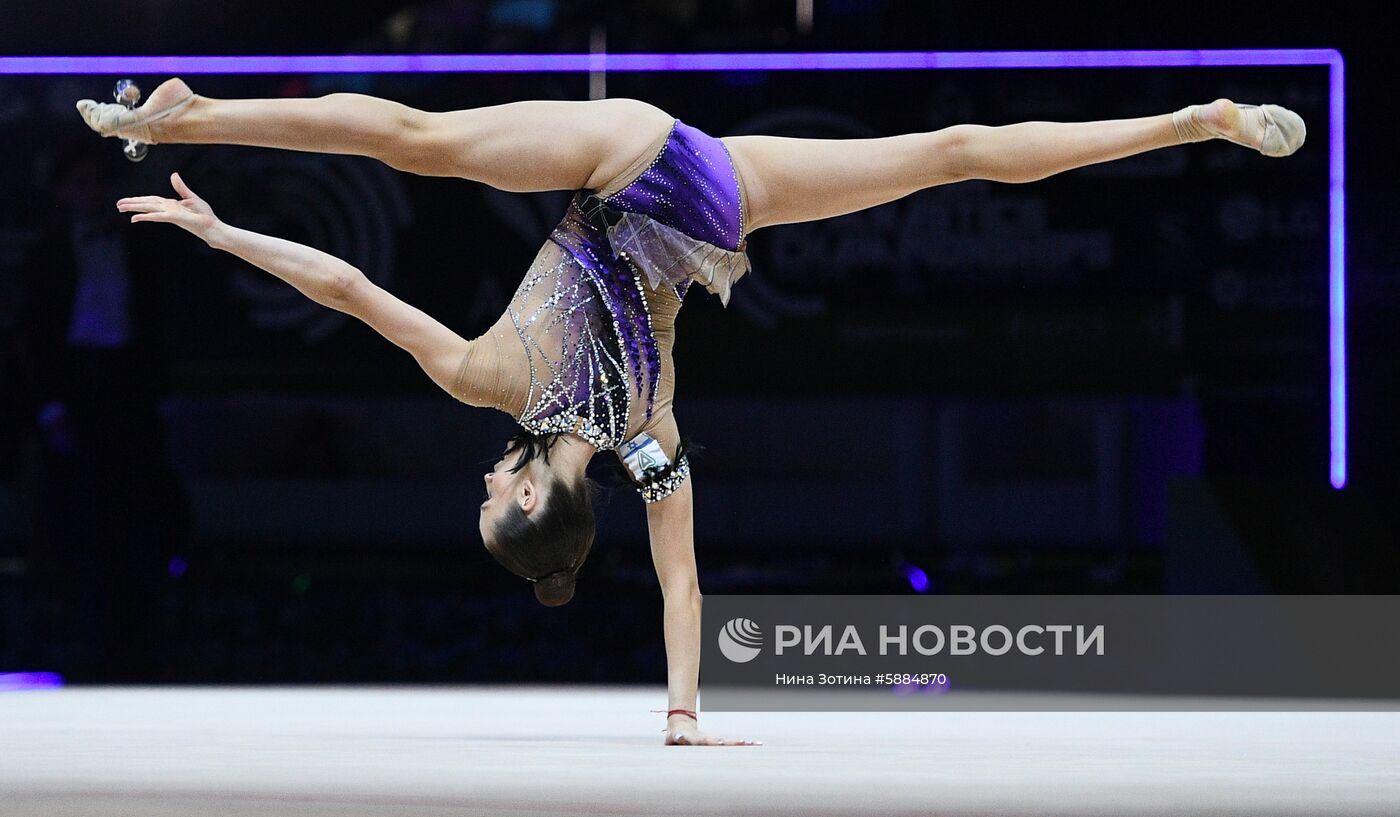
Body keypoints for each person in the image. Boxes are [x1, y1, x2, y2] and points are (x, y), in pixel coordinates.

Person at [77, 78, 1304, 744]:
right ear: (522, 491)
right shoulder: (483, 382)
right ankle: (192, 115)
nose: (480, 484)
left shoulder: (649, 441)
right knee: (423, 142)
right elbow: (345, 283)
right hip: (633, 163)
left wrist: (681, 712)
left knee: (954, 148)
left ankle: (1191, 120)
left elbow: (683, 586)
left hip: (721, 205)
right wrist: (217, 226)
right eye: (492, 500)